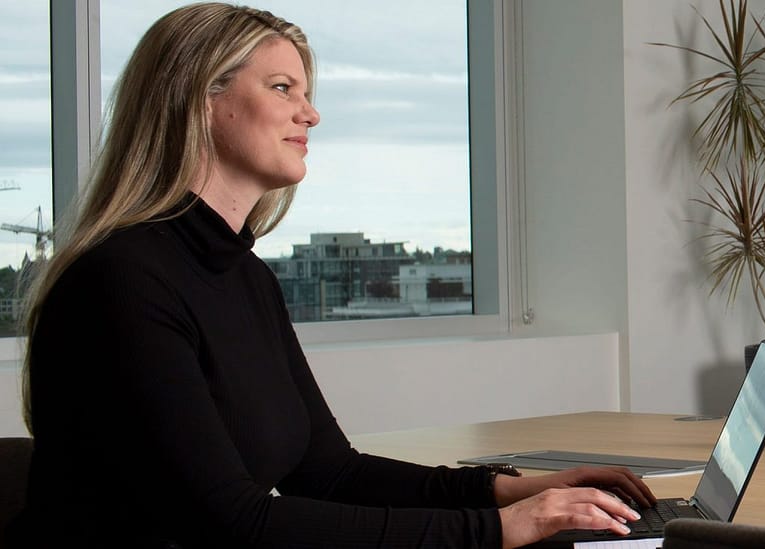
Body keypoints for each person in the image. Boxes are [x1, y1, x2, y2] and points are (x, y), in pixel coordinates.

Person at [7, 4, 654, 547]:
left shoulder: (246, 276)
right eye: (283, 88)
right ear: (200, 99)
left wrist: (513, 489)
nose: (310, 115)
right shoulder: (122, 281)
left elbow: (330, 471)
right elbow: (231, 520)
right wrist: (495, 528)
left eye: (307, 93)